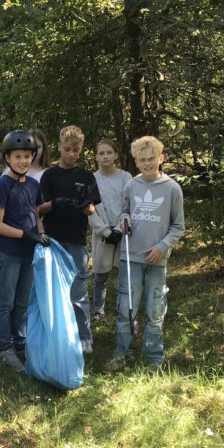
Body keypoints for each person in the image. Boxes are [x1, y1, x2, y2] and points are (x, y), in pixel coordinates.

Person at [108, 136, 184, 370]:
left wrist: (162, 247)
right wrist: (124, 220)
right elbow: (124, 213)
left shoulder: (172, 188)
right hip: (130, 258)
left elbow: (178, 226)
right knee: (125, 308)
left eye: (152, 159)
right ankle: (122, 353)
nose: (148, 163)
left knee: (155, 310)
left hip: (157, 260)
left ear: (160, 158)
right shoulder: (132, 185)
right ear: (136, 162)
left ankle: (154, 358)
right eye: (142, 160)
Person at [0, 130, 49, 372]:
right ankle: (3, 348)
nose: (23, 161)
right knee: (6, 301)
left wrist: (41, 233)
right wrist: (24, 234)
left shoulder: (34, 185)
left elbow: (36, 215)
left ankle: (19, 341)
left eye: (27, 156)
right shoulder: (2, 186)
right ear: (7, 158)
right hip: (9, 251)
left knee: (23, 302)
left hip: (29, 252)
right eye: (17, 157)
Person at [39, 125, 100, 354]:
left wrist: (86, 207)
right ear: (59, 148)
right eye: (67, 149)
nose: (71, 154)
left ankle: (84, 337)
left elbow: (92, 207)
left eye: (75, 149)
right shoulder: (49, 175)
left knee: (78, 292)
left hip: (76, 240)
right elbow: (38, 208)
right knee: (53, 290)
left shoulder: (86, 176)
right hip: (53, 241)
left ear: (81, 149)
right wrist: (55, 204)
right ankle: (55, 336)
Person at [88, 139, 132, 320]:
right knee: (100, 275)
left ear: (115, 155)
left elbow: (130, 206)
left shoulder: (126, 177)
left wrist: (120, 229)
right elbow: (89, 209)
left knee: (125, 275)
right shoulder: (92, 179)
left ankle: (124, 309)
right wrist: (106, 232)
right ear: (96, 156)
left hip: (123, 231)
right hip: (102, 234)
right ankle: (99, 310)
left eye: (109, 152)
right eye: (101, 153)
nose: (105, 156)